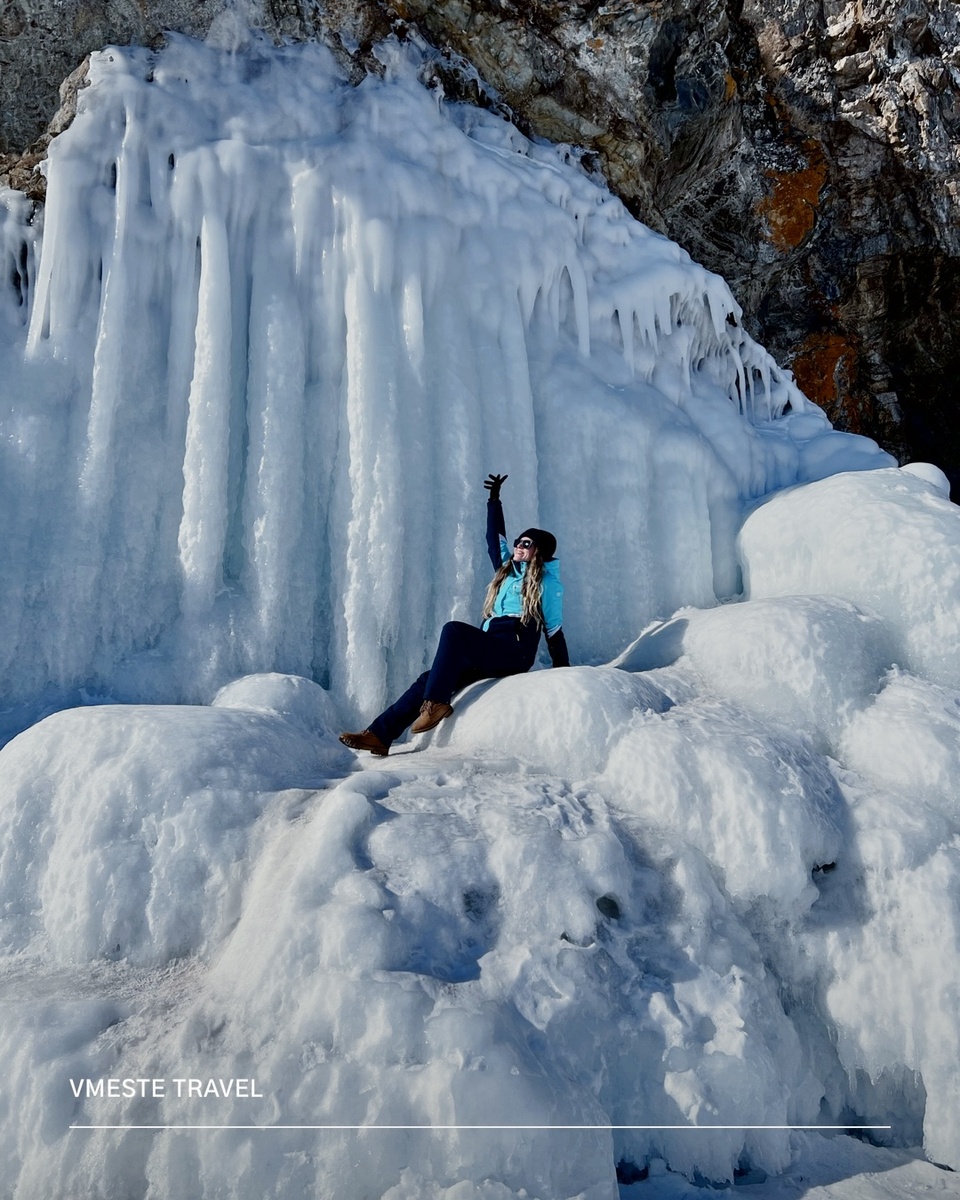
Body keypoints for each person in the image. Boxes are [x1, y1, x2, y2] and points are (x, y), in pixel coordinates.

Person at [339, 473, 570, 756]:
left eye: (526, 543)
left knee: (454, 631)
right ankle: (379, 734)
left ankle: (436, 704)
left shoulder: (547, 583)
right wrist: (494, 501)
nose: (518, 546)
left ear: (539, 551)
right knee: (428, 677)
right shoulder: (506, 571)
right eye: (519, 542)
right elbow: (493, 538)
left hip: (514, 652)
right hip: (490, 648)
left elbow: (554, 632)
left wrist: (565, 679)